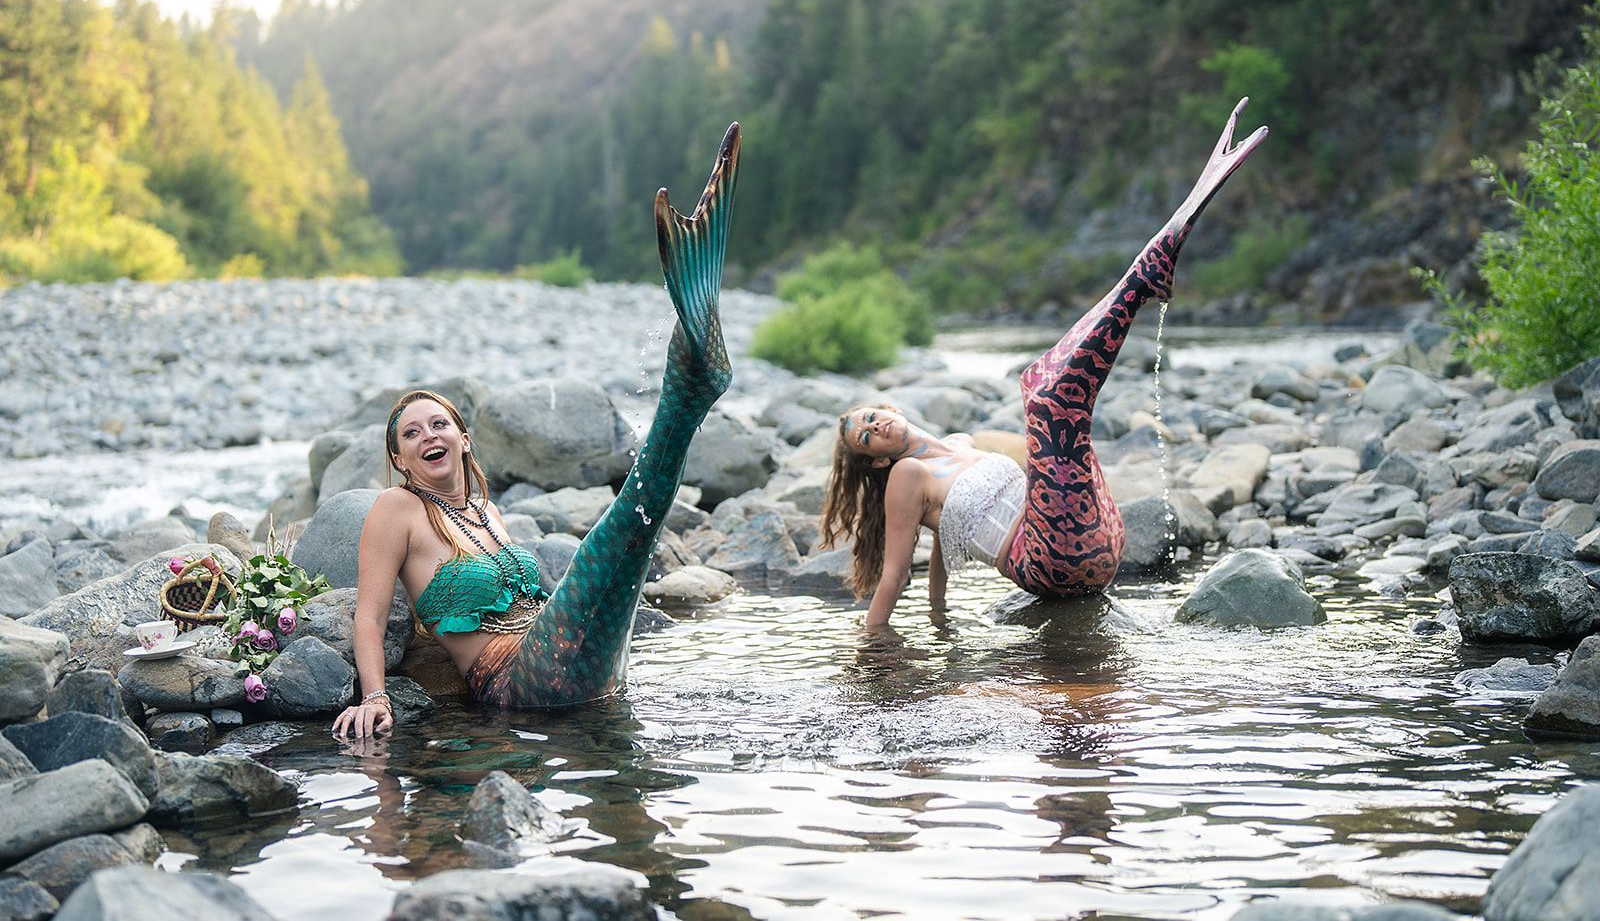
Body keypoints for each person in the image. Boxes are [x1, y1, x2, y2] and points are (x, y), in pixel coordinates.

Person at [333, 123, 740, 734]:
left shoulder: (484, 511)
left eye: (438, 423)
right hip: (518, 681)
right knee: (629, 521)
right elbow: (368, 618)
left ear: (464, 437)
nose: (427, 436)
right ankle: (688, 385)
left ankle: (691, 372)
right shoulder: (397, 510)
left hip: (579, 674)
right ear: (399, 460)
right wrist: (376, 698)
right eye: (411, 435)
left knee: (637, 531)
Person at [819, 100, 1267, 627]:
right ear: (874, 461)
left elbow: (942, 554)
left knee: (1047, 389)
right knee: (1045, 395)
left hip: (1098, 539)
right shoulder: (905, 478)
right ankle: (1148, 271)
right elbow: (896, 576)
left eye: (871, 417)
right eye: (867, 438)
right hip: (1052, 562)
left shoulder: (959, 447)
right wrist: (871, 655)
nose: (875, 427)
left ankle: (1147, 275)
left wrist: (942, 627)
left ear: (887, 406)